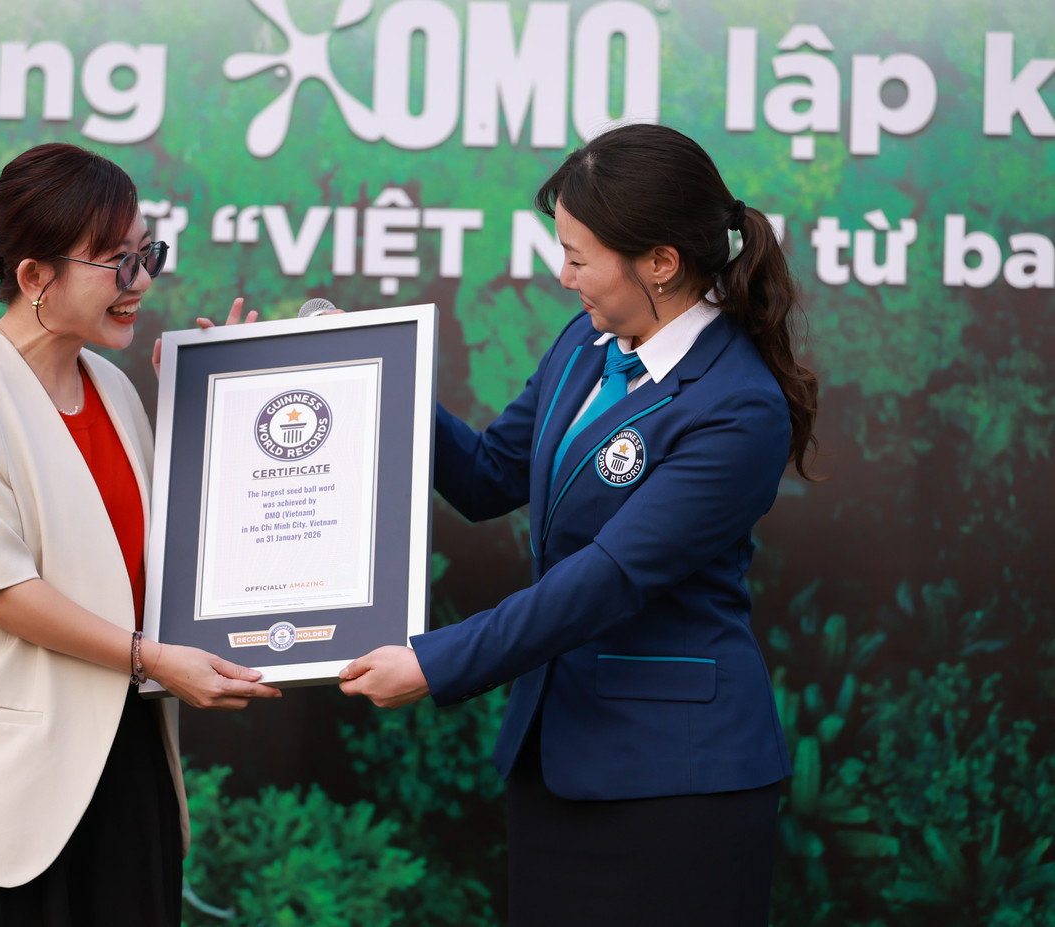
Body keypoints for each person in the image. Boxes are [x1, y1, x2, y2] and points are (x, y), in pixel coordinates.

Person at [339, 123, 818, 926]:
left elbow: (607, 578)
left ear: (660, 262)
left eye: (578, 257)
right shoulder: (588, 344)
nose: (564, 278)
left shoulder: (737, 407)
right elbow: (488, 473)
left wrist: (434, 662)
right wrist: (364, 376)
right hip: (556, 763)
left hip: (675, 783)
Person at [0, 142, 280, 927]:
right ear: (34, 276)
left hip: (124, 773)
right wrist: (148, 657)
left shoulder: (116, 389)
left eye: (147, 254)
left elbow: (157, 568)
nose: (141, 281)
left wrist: (223, 411)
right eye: (117, 262)